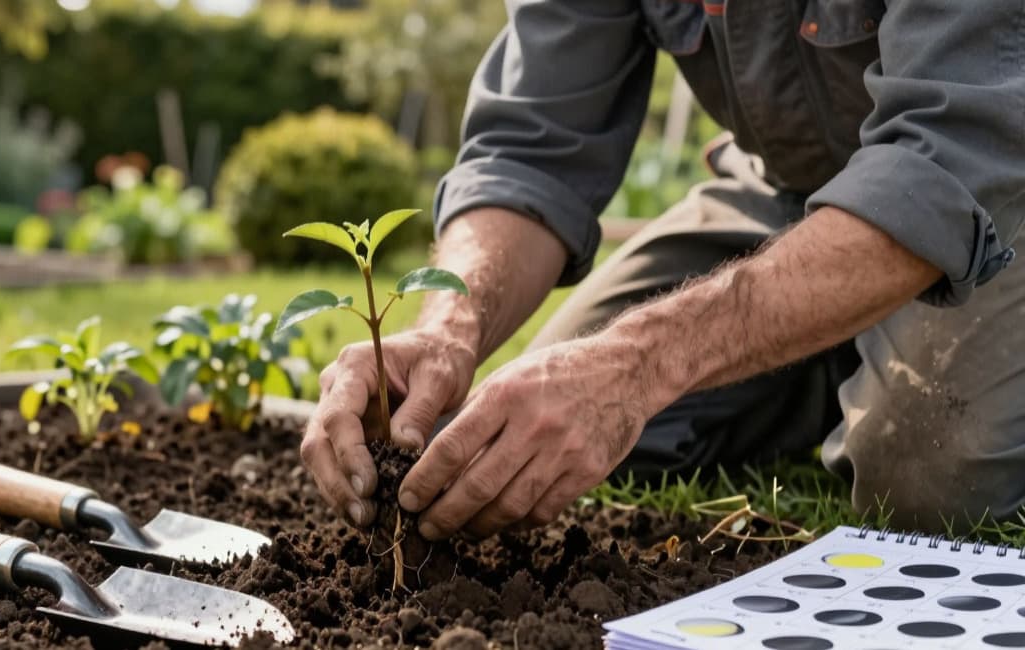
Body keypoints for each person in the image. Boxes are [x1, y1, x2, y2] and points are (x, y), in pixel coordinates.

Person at [300, 0, 1025, 540]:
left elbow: (944, 162)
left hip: (995, 188)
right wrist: (447, 328)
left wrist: (640, 362)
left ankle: (857, 350)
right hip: (791, 190)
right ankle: (831, 344)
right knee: (524, 437)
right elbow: (529, 149)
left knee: (931, 478)